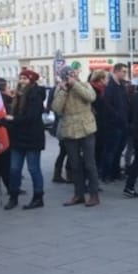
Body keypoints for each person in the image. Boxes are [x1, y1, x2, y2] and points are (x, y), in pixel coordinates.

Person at [52, 67, 100, 207]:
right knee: (75, 165)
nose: (71, 77)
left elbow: (91, 97)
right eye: (67, 76)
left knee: (90, 164)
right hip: (69, 130)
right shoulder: (59, 89)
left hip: (86, 128)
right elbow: (56, 108)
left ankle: (94, 195)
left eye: (73, 74)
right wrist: (64, 91)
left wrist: (75, 85)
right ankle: (78, 195)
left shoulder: (85, 85)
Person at [0, 70, 46, 210]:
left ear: (31, 80)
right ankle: (13, 196)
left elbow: (31, 117)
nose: (22, 81)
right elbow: (14, 117)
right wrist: (3, 121)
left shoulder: (36, 94)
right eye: (20, 78)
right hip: (18, 138)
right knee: (14, 169)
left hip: (32, 137)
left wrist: (12, 119)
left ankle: (38, 197)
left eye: (25, 78)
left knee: (33, 168)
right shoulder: (17, 96)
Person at [102, 63, 130, 182]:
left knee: (119, 150)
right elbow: (108, 106)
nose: (125, 74)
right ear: (116, 71)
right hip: (113, 124)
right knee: (111, 150)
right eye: (123, 71)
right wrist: (117, 116)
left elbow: (125, 103)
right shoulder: (110, 87)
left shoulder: (121, 86)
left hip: (123, 123)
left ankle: (115, 172)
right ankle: (106, 174)